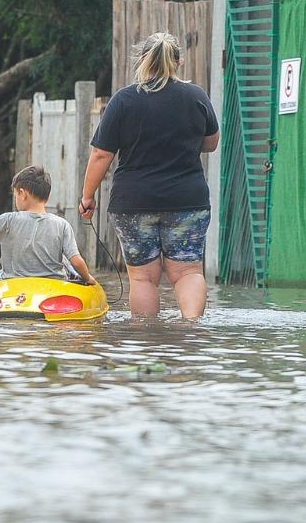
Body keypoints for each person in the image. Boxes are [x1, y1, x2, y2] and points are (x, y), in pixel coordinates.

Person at [80, 32, 219, 320]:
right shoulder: (196, 97)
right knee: (188, 271)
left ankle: (145, 338)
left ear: (142, 59)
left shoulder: (124, 100)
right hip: (187, 201)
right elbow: (211, 142)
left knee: (143, 278)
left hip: (134, 202)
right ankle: (192, 329)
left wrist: (87, 196)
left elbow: (101, 155)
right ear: (178, 62)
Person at [0, 165, 100, 287]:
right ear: (48, 196)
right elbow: (76, 261)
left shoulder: (8, 220)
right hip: (52, 287)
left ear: (22, 194)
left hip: (15, 286)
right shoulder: (62, 224)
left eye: (15, 194)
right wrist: (88, 278)